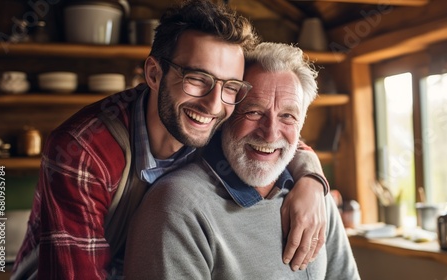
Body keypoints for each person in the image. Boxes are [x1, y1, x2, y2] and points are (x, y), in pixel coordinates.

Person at [12, 1, 330, 279]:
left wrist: (313, 182)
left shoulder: (213, 119)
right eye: (196, 79)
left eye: (230, 86)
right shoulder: (83, 150)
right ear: (153, 74)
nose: (213, 104)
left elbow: (275, 138)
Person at [124, 42, 360, 280]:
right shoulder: (177, 207)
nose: (270, 134)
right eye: (254, 112)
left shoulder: (316, 199)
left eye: (287, 116)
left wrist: (313, 180)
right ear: (226, 112)